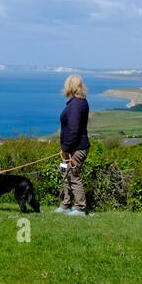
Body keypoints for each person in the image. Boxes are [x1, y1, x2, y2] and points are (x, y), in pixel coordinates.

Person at [56, 74, 90, 216]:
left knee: (73, 176)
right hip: (74, 146)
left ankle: (80, 208)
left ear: (70, 86)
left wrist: (65, 148)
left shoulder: (76, 104)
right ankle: (65, 205)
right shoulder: (80, 102)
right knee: (67, 174)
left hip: (77, 147)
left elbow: (74, 129)